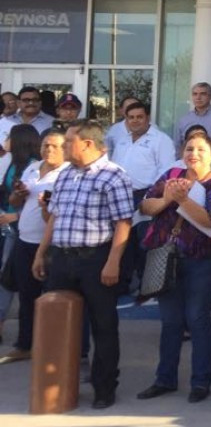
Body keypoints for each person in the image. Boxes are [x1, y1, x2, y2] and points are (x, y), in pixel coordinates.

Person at [32, 120, 134, 409]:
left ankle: (104, 388)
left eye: (68, 142)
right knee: (57, 321)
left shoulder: (114, 176)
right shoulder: (64, 175)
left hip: (96, 258)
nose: (63, 147)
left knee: (103, 325)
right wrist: (42, 253)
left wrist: (113, 262)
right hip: (62, 258)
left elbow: (123, 223)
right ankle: (56, 385)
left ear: (87, 144)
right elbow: (54, 216)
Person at [135, 131, 211, 404]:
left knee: (197, 318)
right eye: (189, 148)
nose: (194, 154)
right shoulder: (171, 175)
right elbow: (146, 206)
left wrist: (183, 200)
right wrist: (167, 198)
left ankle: (200, 382)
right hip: (167, 256)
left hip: (204, 261)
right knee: (171, 320)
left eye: (201, 150)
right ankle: (164, 379)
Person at [0, 130, 68, 363]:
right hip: (24, 239)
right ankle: (25, 344)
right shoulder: (32, 167)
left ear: (65, 149)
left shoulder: (66, 174)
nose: (48, 150)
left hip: (51, 244)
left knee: (51, 297)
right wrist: (19, 193)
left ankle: (51, 349)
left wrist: (45, 206)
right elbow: (14, 202)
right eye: (45, 145)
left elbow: (55, 215)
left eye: (54, 146)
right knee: (27, 296)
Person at [110, 102, 177, 296]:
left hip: (146, 195)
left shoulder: (160, 140)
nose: (135, 121)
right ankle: (122, 285)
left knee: (144, 242)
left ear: (148, 118)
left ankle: (147, 289)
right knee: (123, 242)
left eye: (139, 117)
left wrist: (152, 197)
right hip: (122, 196)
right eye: (131, 118)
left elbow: (166, 171)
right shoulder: (122, 141)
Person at [0, 125, 42, 338]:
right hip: (7, 226)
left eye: (9, 136)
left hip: (20, 229)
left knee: (8, 278)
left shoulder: (34, 166)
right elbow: (9, 194)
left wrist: (13, 216)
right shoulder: (12, 162)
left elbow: (36, 204)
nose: (5, 139)